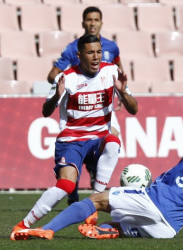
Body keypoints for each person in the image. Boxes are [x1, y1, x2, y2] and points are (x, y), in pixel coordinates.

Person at [13, 79, 183, 240]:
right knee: (117, 224)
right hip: (168, 229)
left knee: (97, 200)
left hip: (154, 202)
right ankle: (107, 230)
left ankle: (48, 229)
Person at [10, 34, 138, 240]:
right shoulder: (67, 77)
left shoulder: (112, 72)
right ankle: (22, 225)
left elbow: (134, 109)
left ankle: (94, 203)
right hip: (71, 140)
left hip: (98, 139)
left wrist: (123, 93)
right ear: (79, 55)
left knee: (113, 142)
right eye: (90, 53)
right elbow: (45, 111)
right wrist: (55, 96)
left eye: (98, 52)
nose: (96, 57)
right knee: (66, 186)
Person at [47, 6, 124, 204]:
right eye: (89, 20)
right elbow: (53, 74)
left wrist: (122, 94)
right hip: (80, 104)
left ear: (101, 23)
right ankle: (73, 188)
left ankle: (96, 189)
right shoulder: (74, 48)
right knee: (78, 146)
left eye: (96, 20)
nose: (92, 23)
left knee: (111, 140)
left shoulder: (111, 47)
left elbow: (120, 71)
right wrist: (59, 89)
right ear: (83, 23)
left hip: (103, 103)